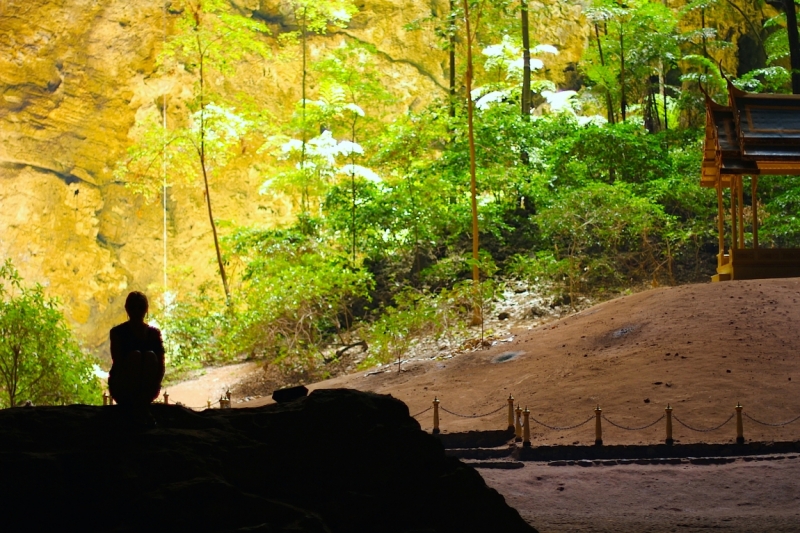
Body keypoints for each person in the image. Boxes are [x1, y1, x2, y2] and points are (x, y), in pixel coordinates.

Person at [108, 291, 165, 411]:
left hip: (148, 389)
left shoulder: (154, 334)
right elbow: (118, 364)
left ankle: (141, 403)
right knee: (135, 356)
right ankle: (135, 404)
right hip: (122, 386)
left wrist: (154, 387)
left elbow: (160, 366)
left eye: (140, 308)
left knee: (149, 356)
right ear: (127, 309)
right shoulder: (117, 333)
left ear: (145, 309)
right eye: (133, 307)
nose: (136, 311)